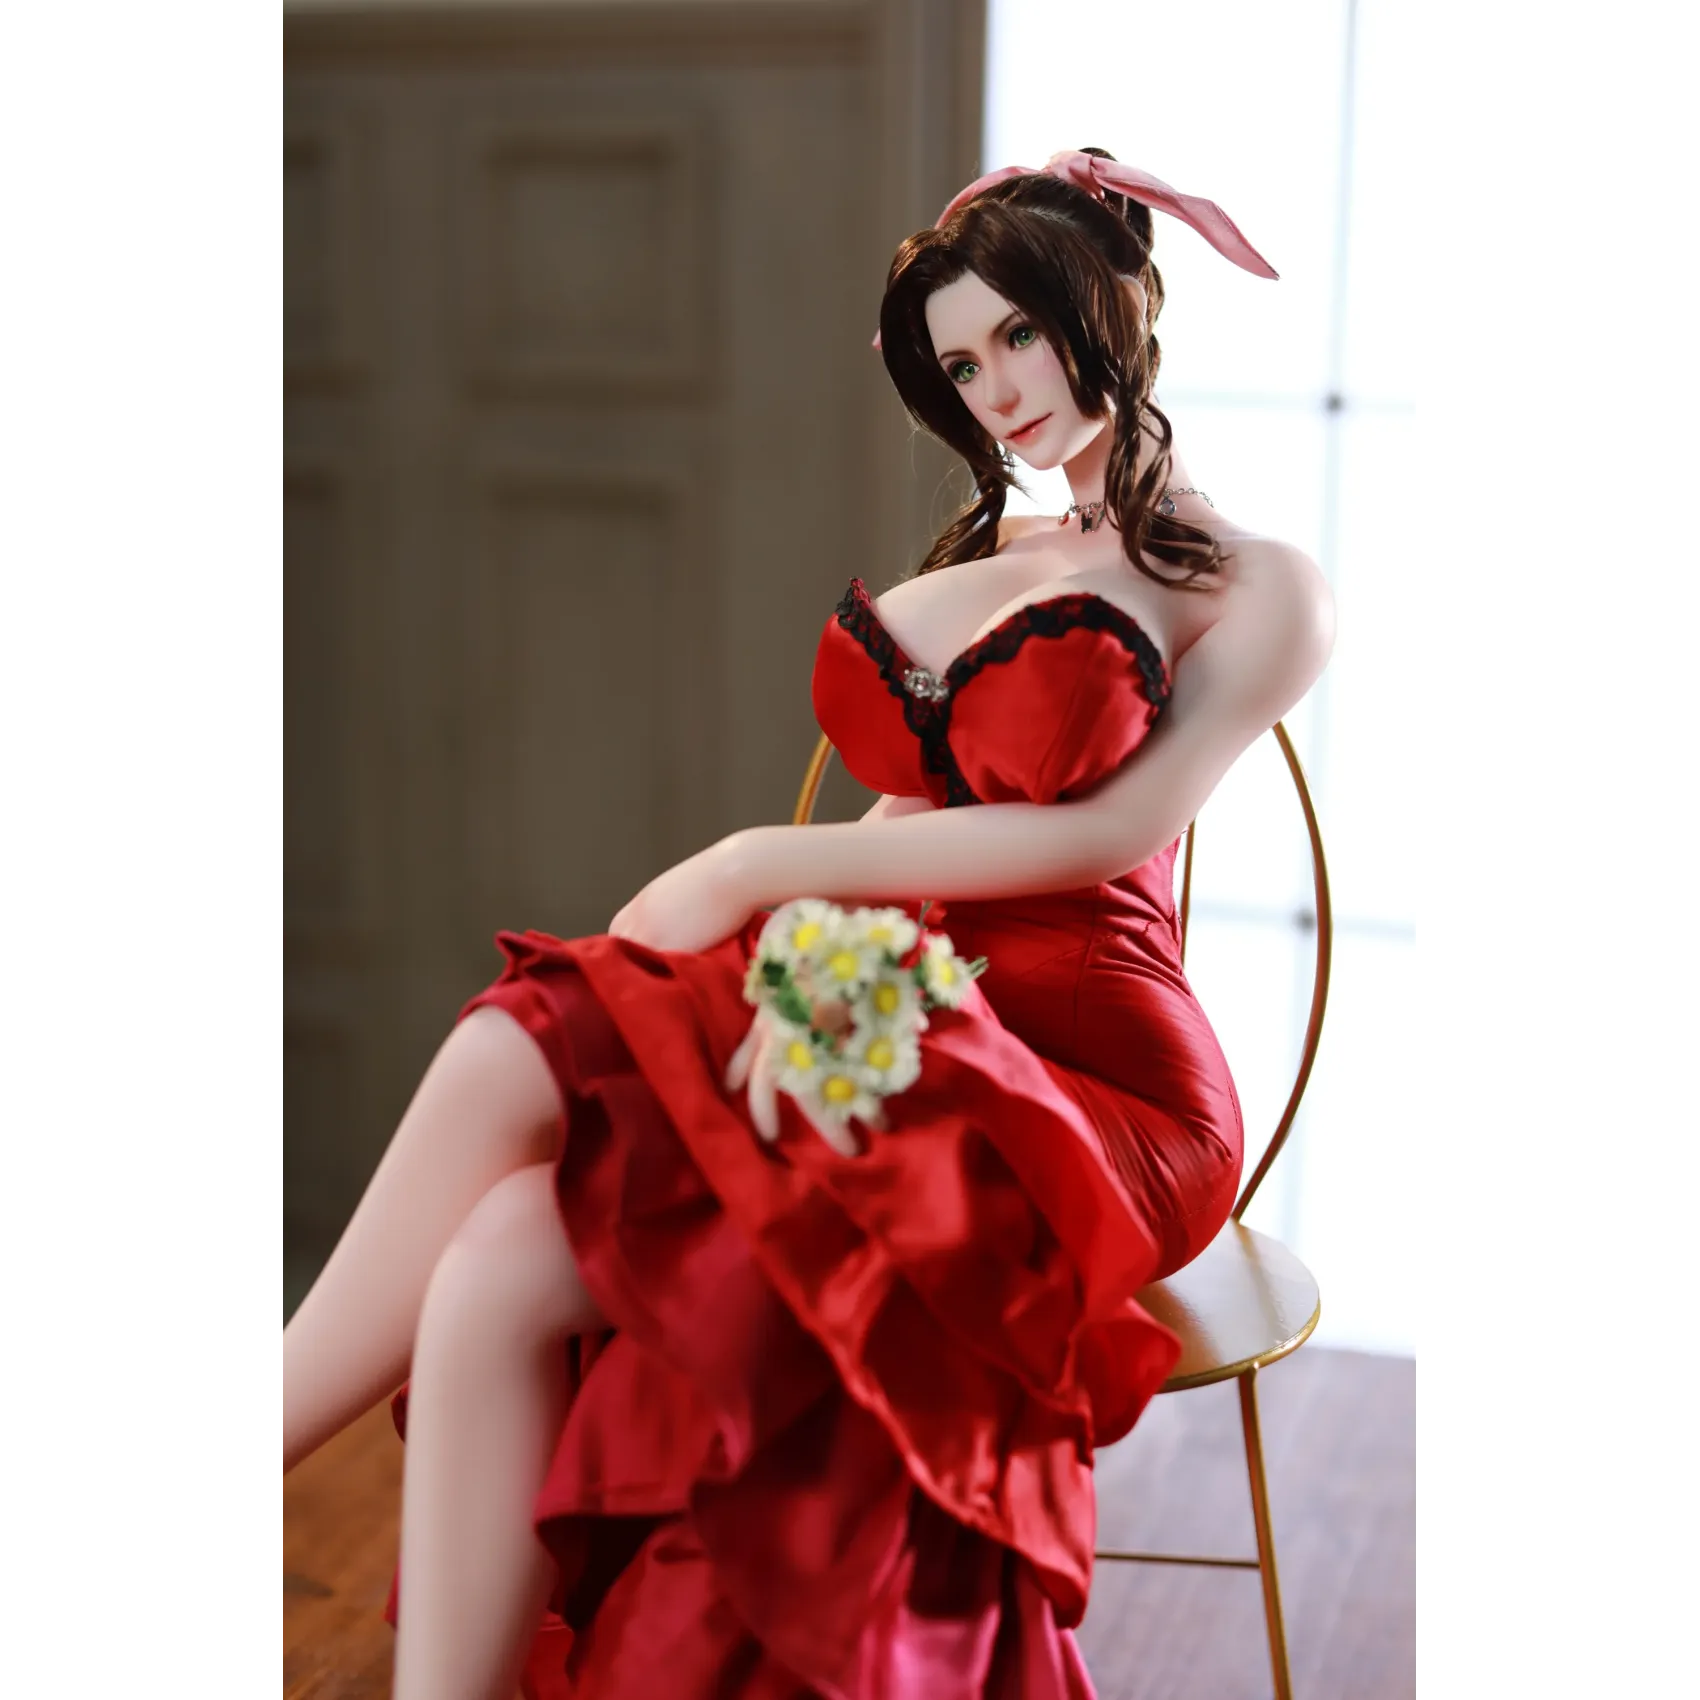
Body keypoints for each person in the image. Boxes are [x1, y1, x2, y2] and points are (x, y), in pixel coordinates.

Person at [280, 146, 1335, 1700]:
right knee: (502, 1241)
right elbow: (906, 826)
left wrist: (748, 871)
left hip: (1100, 1092)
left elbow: (1109, 832)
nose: (997, 391)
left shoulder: (1260, 586)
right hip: (906, 994)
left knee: (543, 1062)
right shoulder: (996, 559)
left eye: (1018, 336)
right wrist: (778, 959)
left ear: (1109, 313)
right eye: (960, 366)